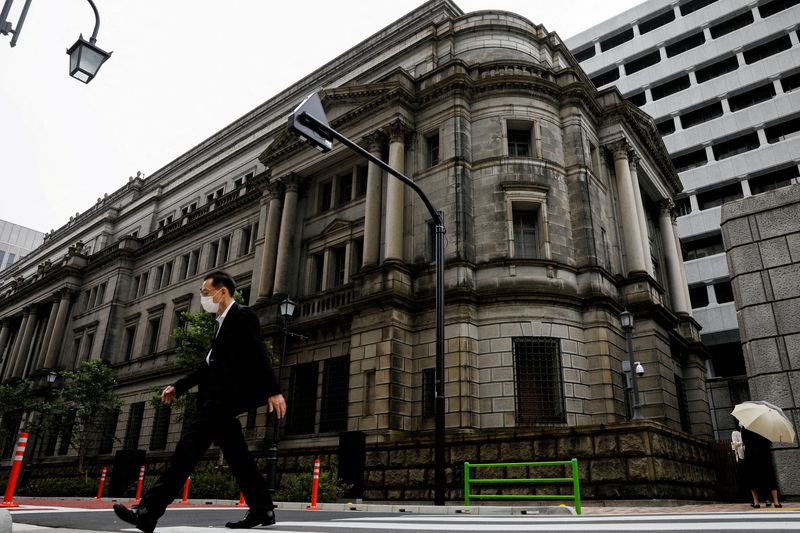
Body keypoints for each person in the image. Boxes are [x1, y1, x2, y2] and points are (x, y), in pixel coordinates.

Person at [113, 271, 287, 532]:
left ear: (222, 291)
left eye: (206, 292)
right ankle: (263, 509)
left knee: (186, 452)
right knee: (238, 457)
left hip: (222, 400)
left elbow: (258, 352)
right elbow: (207, 367)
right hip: (218, 401)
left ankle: (148, 511)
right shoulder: (221, 325)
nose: (204, 297)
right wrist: (179, 387)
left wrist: (273, 390)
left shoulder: (242, 315)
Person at [741, 427, 782, 508]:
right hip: (764, 454)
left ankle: (756, 502)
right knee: (770, 477)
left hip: (751, 454)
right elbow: (769, 442)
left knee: (753, 478)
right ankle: (776, 502)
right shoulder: (765, 426)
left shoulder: (746, 427)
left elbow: (744, 441)